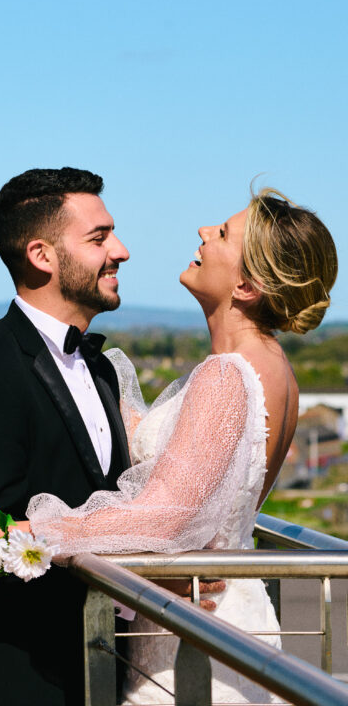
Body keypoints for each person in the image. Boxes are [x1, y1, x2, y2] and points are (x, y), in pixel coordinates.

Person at [27, 187, 339, 705]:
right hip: (230, 616)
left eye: (221, 233)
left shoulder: (226, 374)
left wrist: (30, 532)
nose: (202, 231)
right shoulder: (273, 368)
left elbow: (162, 518)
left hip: (198, 636)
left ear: (246, 285)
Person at [0, 166, 134, 706]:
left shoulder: (102, 367)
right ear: (43, 256)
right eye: (99, 237)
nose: (122, 251)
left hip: (97, 667)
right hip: (15, 681)